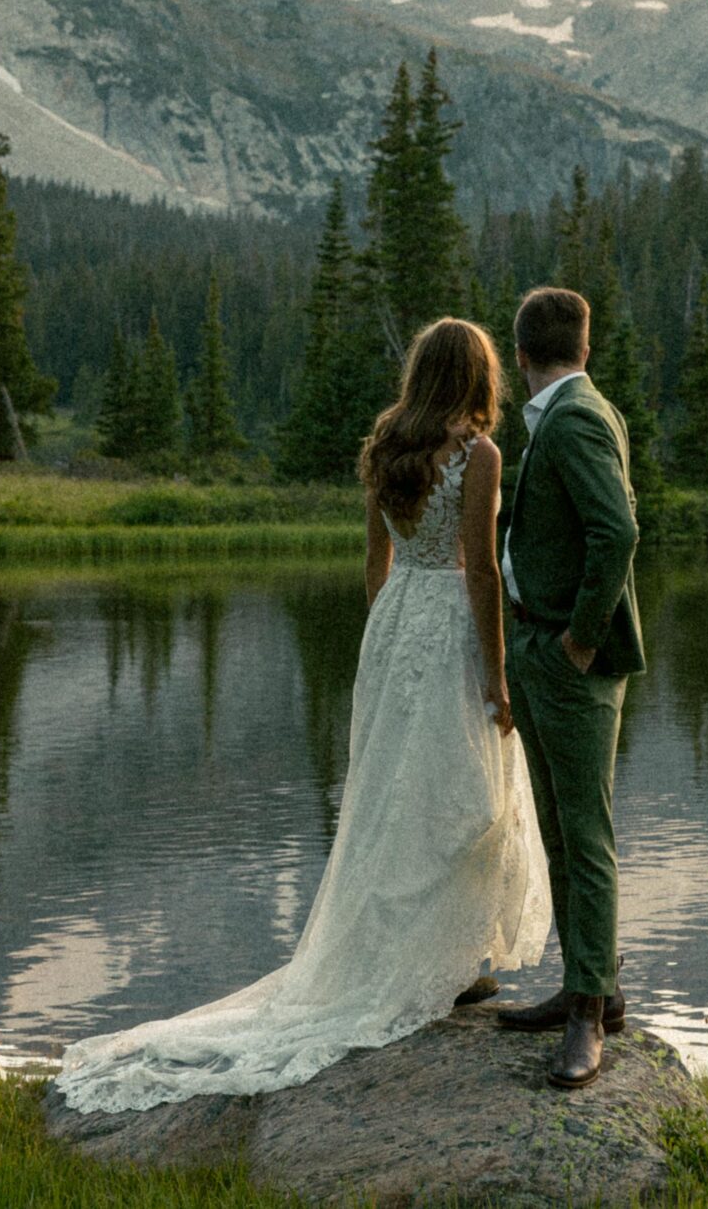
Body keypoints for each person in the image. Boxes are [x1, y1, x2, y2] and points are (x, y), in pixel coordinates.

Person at [51, 317, 549, 1114]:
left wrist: (384, 637)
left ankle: (432, 955)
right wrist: (496, 676)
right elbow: (484, 568)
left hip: (394, 628)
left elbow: (373, 559)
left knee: (395, 795)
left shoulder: (390, 443)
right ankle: (449, 962)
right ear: (479, 377)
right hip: (451, 623)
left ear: (421, 374)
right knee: (460, 792)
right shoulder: (478, 454)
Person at [491, 286, 645, 1090]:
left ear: (521, 355)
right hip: (541, 647)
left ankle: (590, 1015)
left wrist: (580, 639)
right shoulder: (579, 407)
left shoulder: (576, 416)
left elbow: (617, 528)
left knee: (584, 835)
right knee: (559, 826)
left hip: (567, 659)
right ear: (583, 347)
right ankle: (593, 984)